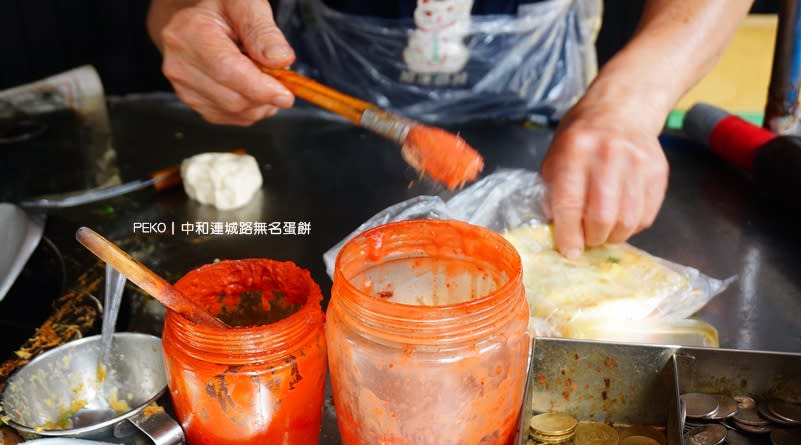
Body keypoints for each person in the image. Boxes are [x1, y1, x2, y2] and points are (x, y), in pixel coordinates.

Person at [146, 0, 753, 258]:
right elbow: (178, 8)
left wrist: (629, 101)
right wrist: (188, 19)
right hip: (317, 134)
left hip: (547, 123)